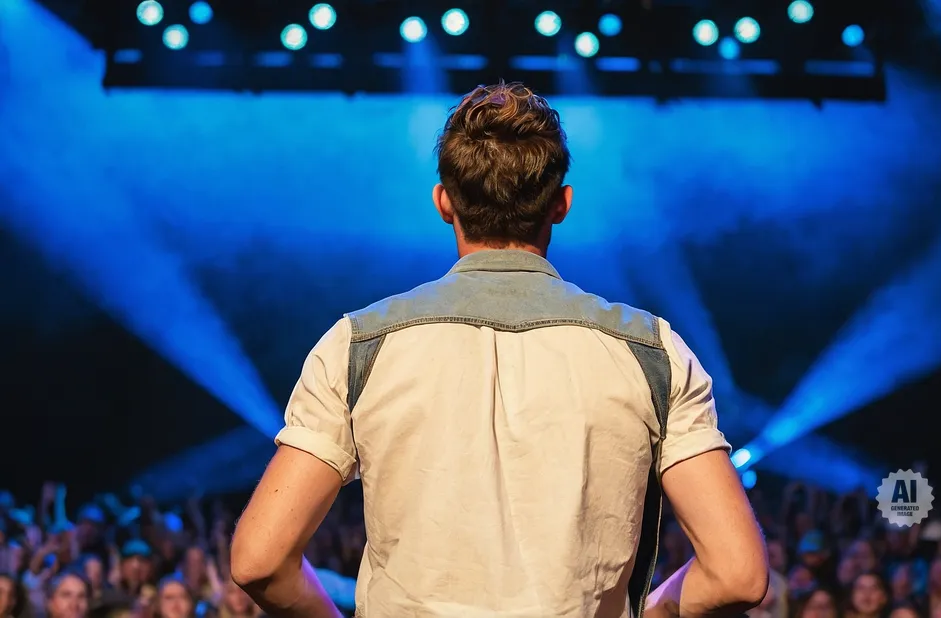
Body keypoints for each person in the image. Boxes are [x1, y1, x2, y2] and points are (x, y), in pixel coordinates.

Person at [230, 81, 768, 618]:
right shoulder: (653, 351)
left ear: (444, 201)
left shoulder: (359, 346)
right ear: (561, 203)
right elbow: (737, 574)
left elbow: (259, 560)